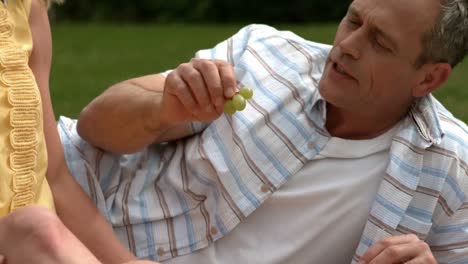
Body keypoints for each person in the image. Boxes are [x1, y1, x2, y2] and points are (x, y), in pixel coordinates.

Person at [59, 0, 467, 263]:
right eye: (354, 20)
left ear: (429, 78)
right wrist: (162, 109)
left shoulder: (452, 167)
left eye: (380, 42)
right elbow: (94, 126)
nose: (348, 46)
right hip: (84, 209)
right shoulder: (263, 54)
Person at [0, 0, 159, 263]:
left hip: (42, 250)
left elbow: (55, 176)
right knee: (35, 226)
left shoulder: (25, 8)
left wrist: (126, 261)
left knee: (38, 228)